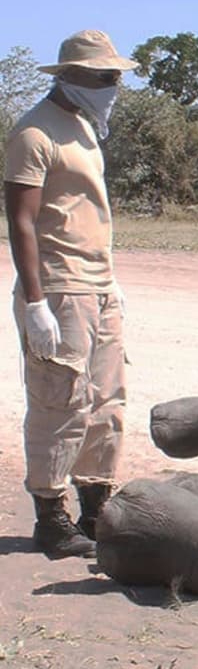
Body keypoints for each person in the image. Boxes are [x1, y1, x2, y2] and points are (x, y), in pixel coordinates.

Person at [4, 30, 136, 559]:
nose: (112, 85)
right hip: (58, 287)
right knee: (60, 401)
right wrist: (36, 304)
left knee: (108, 401)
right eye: (104, 76)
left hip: (98, 284)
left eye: (115, 76)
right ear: (72, 77)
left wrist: (109, 280)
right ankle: (51, 514)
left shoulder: (84, 126)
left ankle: (96, 505)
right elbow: (21, 220)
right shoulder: (35, 133)